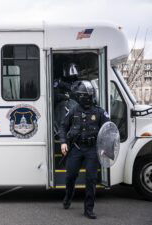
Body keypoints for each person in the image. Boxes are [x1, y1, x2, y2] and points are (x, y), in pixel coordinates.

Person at [59, 80, 110, 219]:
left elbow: (109, 131)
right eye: (80, 95)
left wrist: (105, 149)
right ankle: (68, 196)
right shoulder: (74, 111)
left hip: (92, 149)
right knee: (70, 176)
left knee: (91, 179)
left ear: (89, 96)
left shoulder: (100, 112)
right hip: (76, 148)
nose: (81, 97)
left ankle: (89, 209)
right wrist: (63, 142)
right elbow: (63, 127)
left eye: (83, 95)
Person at [53, 63, 79, 140]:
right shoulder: (57, 82)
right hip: (59, 108)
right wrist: (64, 96)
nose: (73, 76)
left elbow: (74, 89)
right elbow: (54, 95)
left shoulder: (74, 83)